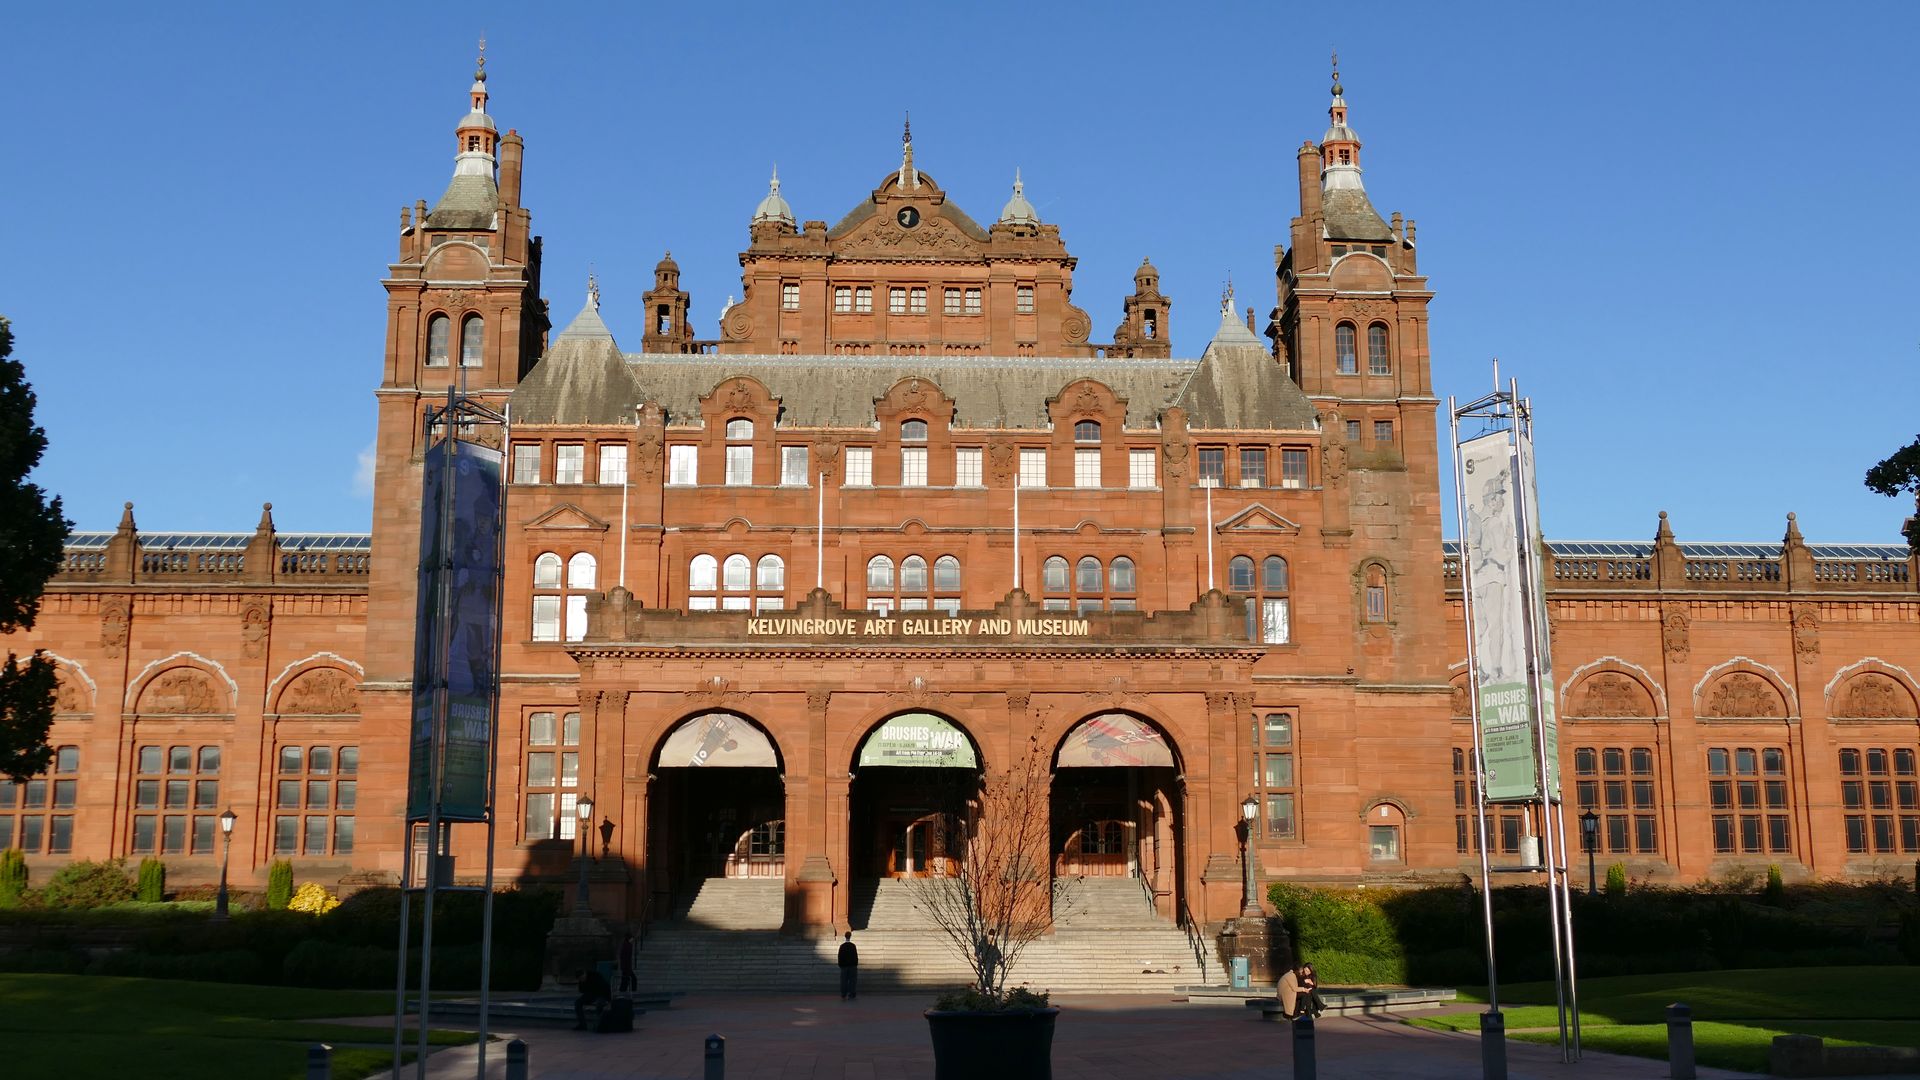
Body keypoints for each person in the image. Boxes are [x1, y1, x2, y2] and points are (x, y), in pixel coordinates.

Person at [573, 966, 612, 1030]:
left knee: (600, 1004)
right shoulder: (581, 981)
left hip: (602, 993)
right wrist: (582, 983)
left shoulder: (595, 976)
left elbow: (606, 988)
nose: (582, 980)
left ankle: (600, 1024)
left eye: (582, 978)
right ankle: (582, 1024)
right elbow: (581, 990)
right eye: (580, 979)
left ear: (585, 974)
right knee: (578, 1003)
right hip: (591, 994)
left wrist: (610, 1001)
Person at [837, 931, 859, 1000]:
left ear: (845, 936)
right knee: (852, 980)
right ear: (850, 936)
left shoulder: (842, 946)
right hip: (852, 966)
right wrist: (855, 964)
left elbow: (839, 956)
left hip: (844, 966)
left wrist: (840, 964)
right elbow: (855, 956)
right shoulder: (853, 946)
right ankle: (852, 993)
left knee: (843, 980)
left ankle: (843, 993)